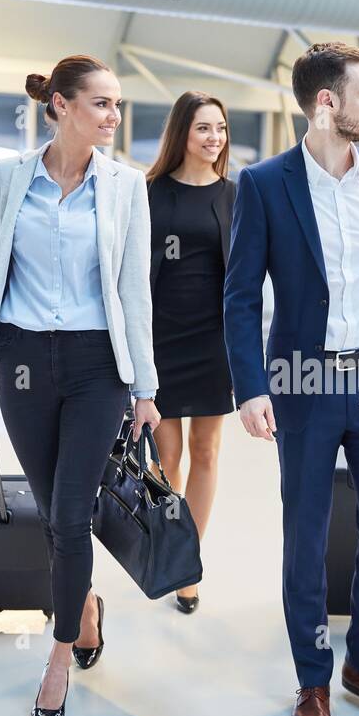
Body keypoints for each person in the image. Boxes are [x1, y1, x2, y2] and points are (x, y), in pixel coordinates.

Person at [0, 54, 161, 716]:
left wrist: (146, 388)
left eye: (118, 105)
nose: (114, 117)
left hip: (99, 366)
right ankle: (86, 605)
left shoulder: (126, 186)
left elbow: (134, 290)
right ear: (60, 107)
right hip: (25, 362)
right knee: (51, 512)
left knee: (71, 515)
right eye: (101, 104)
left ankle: (60, 654)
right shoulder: (10, 178)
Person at [224, 41, 359, 716]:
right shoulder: (266, 183)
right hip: (303, 385)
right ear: (326, 103)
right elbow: (242, 295)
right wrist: (251, 388)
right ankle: (313, 679)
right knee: (305, 538)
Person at [145, 92, 238, 614]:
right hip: (160, 340)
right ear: (182, 132)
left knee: (206, 451)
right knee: (167, 457)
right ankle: (169, 546)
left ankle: (188, 564)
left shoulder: (233, 194)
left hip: (213, 340)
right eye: (203, 128)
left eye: (220, 129)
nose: (214, 138)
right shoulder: (150, 192)